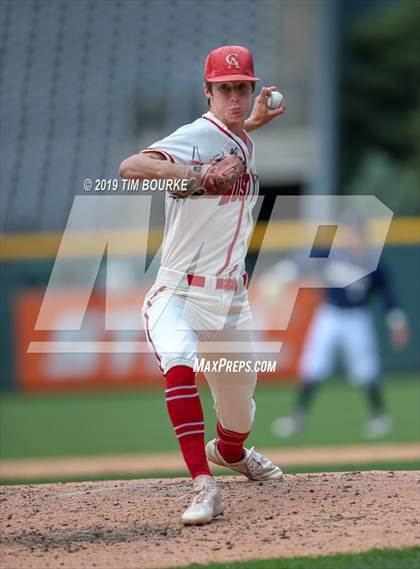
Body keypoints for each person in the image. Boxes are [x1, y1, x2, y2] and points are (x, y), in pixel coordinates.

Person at [119, 46, 285, 526]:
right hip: (179, 292)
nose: (235, 96)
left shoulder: (236, 135)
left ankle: (230, 452)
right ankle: (203, 485)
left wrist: (250, 123)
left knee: (240, 416)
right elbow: (130, 168)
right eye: (225, 88)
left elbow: (229, 145)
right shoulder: (194, 136)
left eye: (242, 88)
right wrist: (193, 174)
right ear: (208, 92)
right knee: (178, 362)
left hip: (230, 302)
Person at [267, 215, 409, 439]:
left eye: (356, 233)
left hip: (357, 318)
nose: (352, 238)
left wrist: (397, 322)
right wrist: (280, 275)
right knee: (313, 364)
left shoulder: (373, 262)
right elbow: (302, 263)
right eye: (349, 233)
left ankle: (379, 415)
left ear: (363, 235)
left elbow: (388, 295)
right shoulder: (332, 254)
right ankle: (297, 416)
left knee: (366, 368)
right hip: (330, 315)